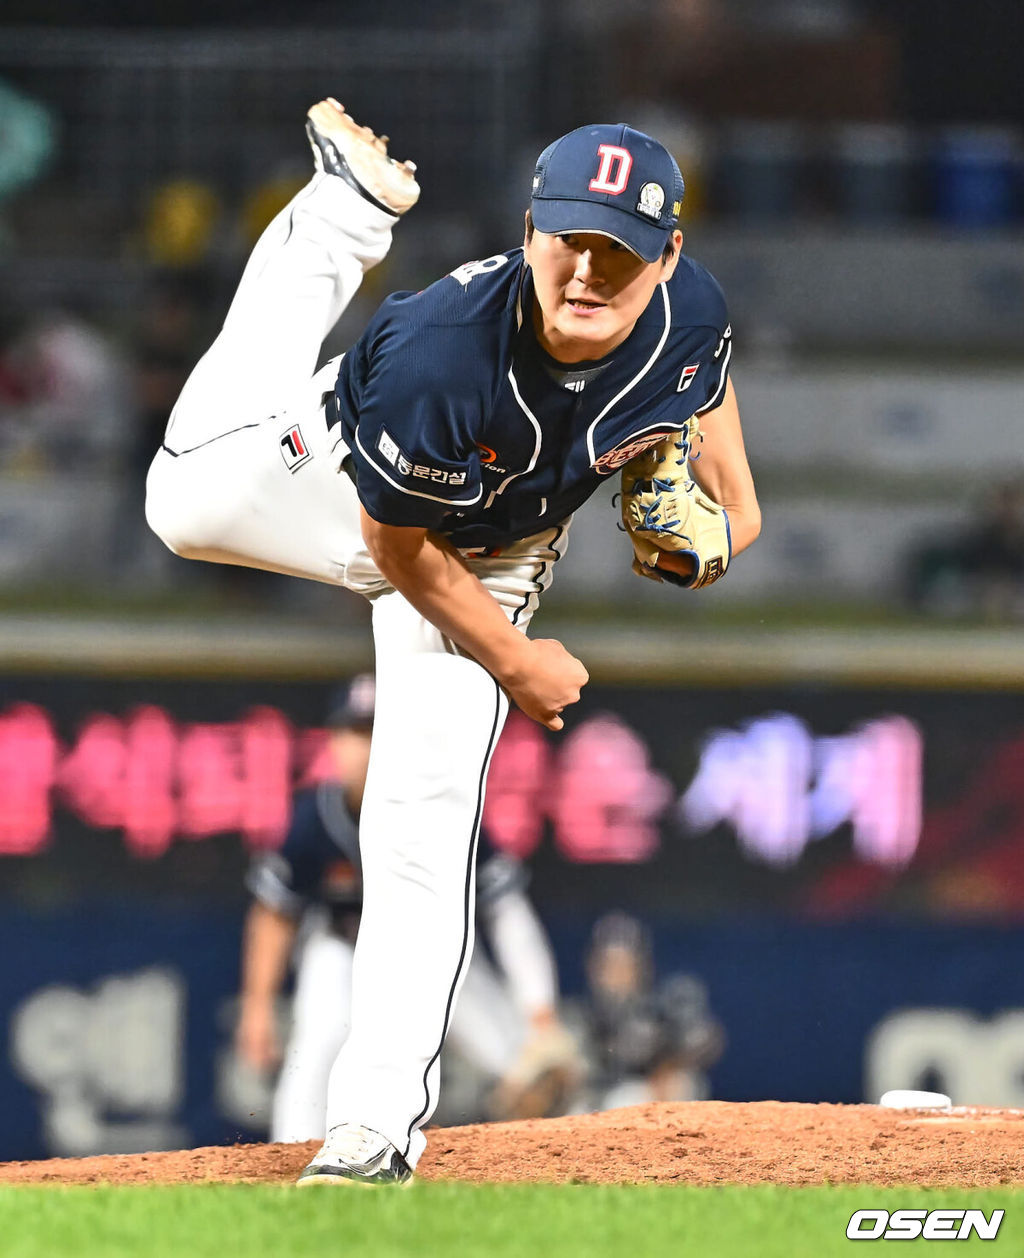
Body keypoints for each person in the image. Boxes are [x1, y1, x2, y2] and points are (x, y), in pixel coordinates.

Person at [145, 98, 760, 1185]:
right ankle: (341, 218)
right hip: (352, 480)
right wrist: (515, 660)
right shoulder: (446, 349)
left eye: (615, 253)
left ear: (668, 257)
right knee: (178, 508)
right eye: (566, 238)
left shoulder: (689, 310)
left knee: (423, 821)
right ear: (528, 231)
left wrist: (735, 519)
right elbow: (395, 544)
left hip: (495, 553)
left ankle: (373, 1133)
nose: (582, 270)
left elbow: (702, 379)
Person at [235, 675, 579, 1142]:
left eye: (379, 730)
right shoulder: (314, 817)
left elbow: (506, 912)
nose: (367, 746)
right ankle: (290, 1160)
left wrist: (539, 1012)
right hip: (343, 949)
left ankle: (576, 1155)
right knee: (315, 1049)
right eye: (355, 731)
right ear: (332, 742)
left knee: (526, 1062)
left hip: (428, 953)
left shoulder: (449, 809)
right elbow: (275, 914)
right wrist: (256, 1008)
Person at [572, 912, 724, 1112]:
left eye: (624, 963)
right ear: (592, 966)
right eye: (608, 963)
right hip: (595, 1104)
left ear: (642, 965)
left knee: (681, 1083)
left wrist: (670, 1065)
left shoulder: (665, 1003)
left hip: (648, 1094)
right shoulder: (578, 1013)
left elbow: (708, 1039)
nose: (615, 973)